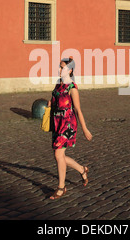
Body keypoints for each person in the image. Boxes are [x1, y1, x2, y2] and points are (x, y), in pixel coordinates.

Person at [47, 57, 93, 200]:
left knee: (58, 155)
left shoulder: (72, 87)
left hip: (67, 124)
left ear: (70, 70)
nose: (60, 70)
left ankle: (61, 188)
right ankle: (82, 169)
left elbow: (78, 110)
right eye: (59, 67)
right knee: (60, 156)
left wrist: (85, 129)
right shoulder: (58, 84)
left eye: (63, 67)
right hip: (56, 122)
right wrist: (49, 104)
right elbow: (55, 100)